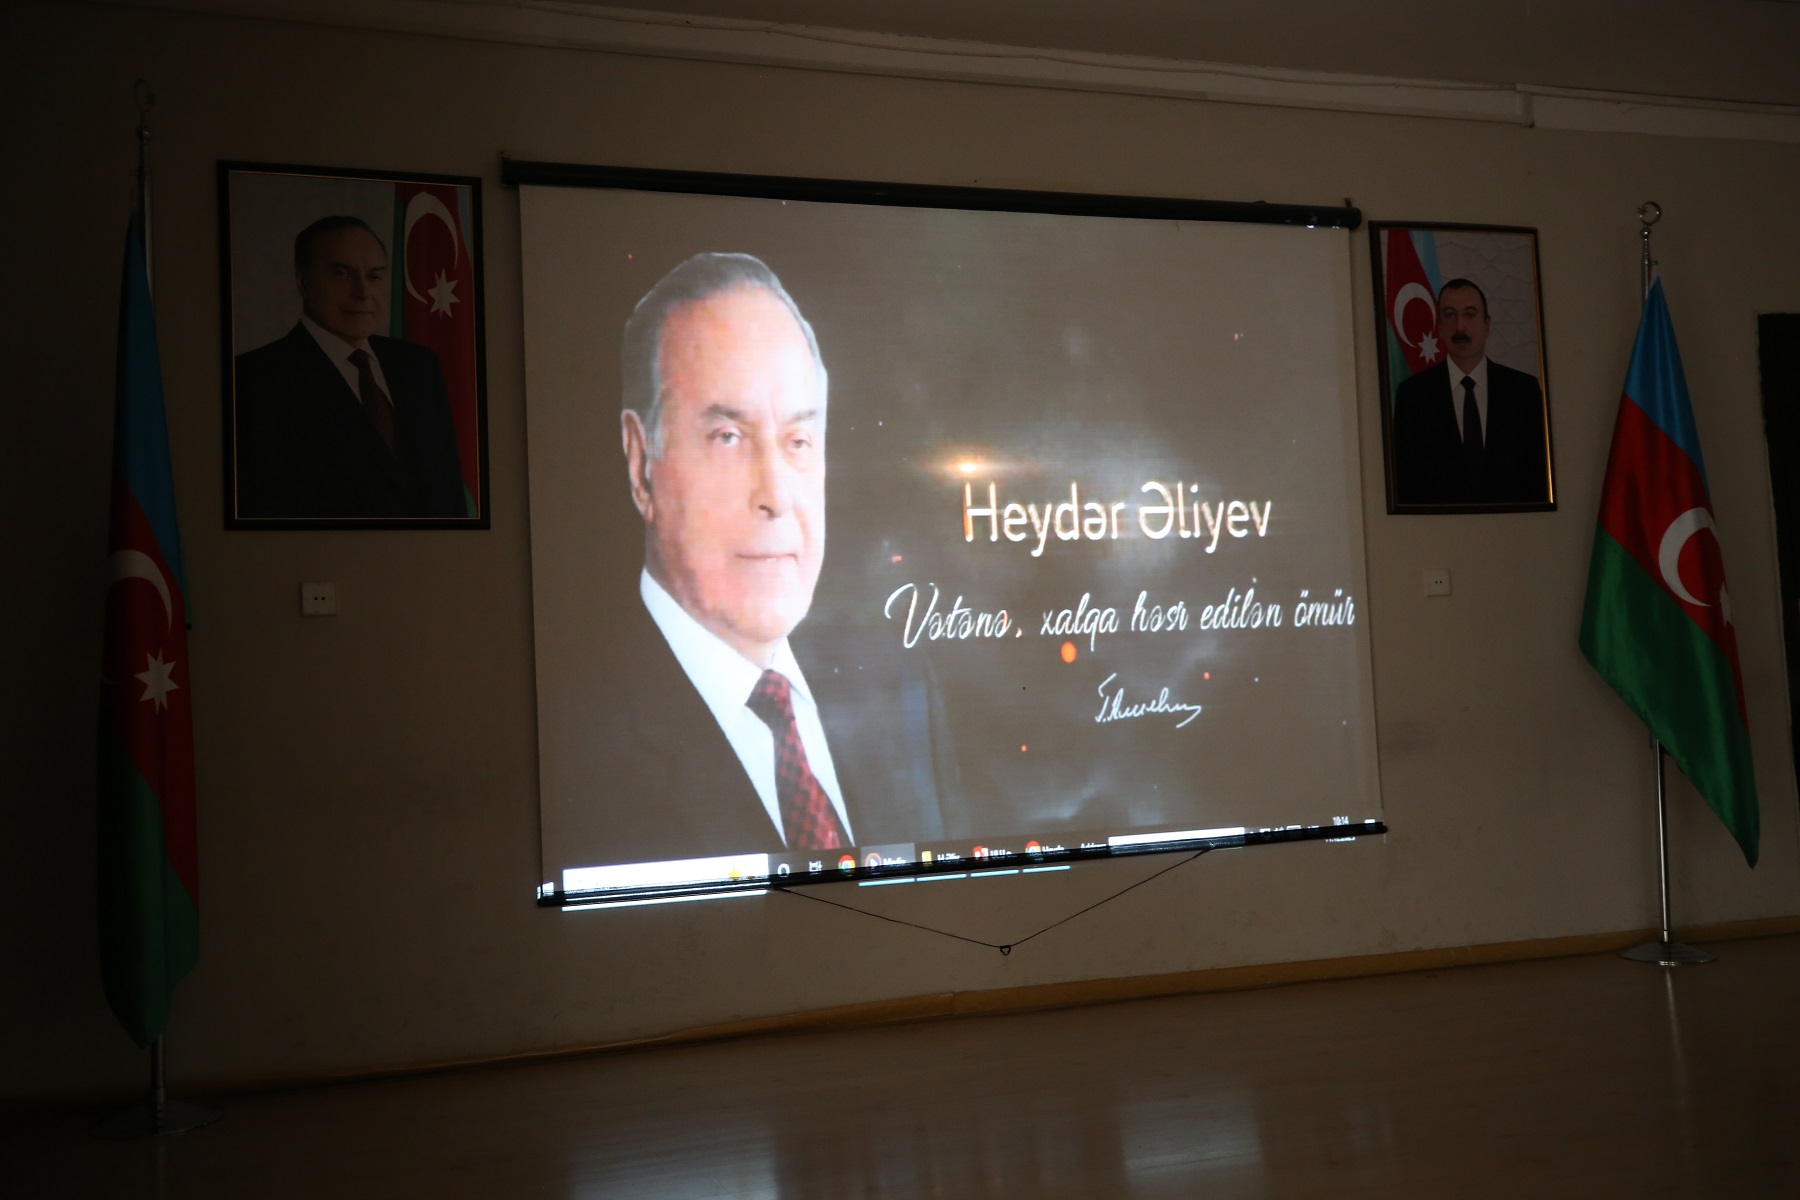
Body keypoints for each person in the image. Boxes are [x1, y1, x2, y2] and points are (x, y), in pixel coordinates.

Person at [566, 252, 959, 871]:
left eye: (798, 440)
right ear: (642, 466)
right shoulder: (575, 750)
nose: (775, 494)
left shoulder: (899, 687)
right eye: (727, 437)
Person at [233, 216, 465, 519]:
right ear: (303, 281)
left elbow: (448, 488)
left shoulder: (419, 366)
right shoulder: (254, 378)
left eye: (374, 276)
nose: (363, 292)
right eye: (341, 274)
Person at [1391, 277, 1551, 507]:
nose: (1460, 327)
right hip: (1438, 527)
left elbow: (1537, 478)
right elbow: (1406, 484)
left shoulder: (1523, 391)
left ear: (1487, 324)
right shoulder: (1413, 396)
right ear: (1439, 326)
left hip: (1513, 526)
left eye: (1470, 314)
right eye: (1450, 315)